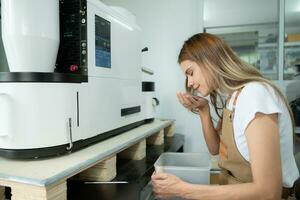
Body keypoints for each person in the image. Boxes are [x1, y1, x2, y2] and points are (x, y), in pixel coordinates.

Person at [151, 33, 299, 199]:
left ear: (210, 60)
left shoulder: (254, 96)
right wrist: (204, 111)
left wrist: (183, 189)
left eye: (191, 73)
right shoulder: (233, 97)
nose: (190, 83)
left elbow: (268, 192)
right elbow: (216, 149)